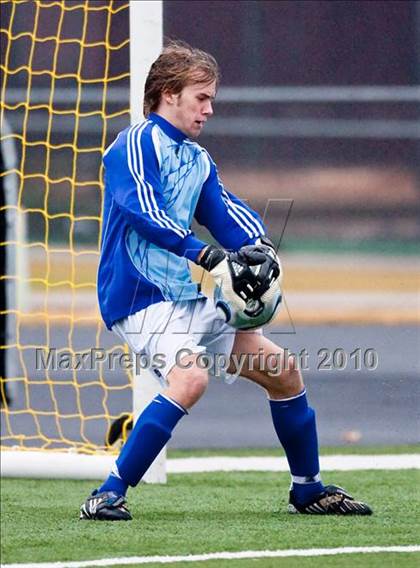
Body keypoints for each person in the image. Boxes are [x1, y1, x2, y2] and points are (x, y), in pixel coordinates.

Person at [80, 40, 372, 520]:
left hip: (184, 296)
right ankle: (107, 493)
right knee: (190, 378)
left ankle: (308, 489)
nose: (210, 109)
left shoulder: (196, 159)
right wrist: (206, 254)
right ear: (169, 94)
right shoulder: (133, 143)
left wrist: (259, 249)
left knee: (284, 370)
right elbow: (142, 213)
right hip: (137, 299)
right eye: (202, 97)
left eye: (211, 99)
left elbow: (226, 213)